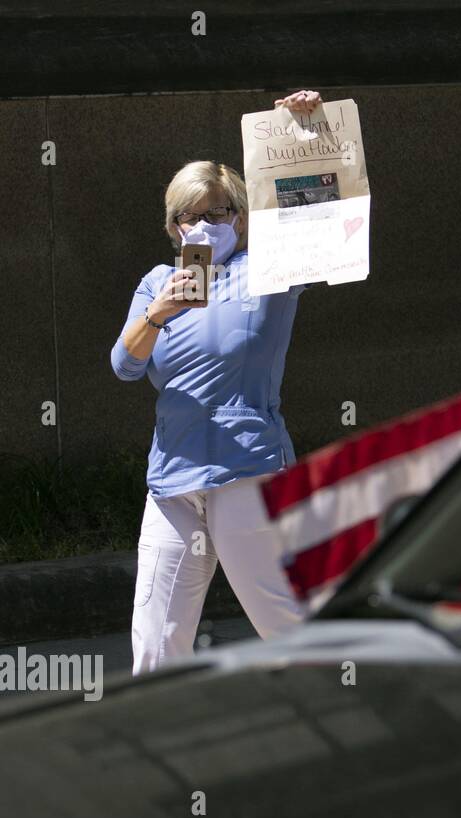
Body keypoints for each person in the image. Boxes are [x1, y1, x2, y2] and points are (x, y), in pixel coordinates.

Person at [110, 89, 325, 674]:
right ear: (173, 226)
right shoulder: (157, 283)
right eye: (191, 216)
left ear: (240, 218)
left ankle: (360, 720)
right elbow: (124, 366)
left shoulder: (270, 268)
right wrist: (159, 315)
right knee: (154, 642)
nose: (204, 226)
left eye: (218, 213)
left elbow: (322, 222)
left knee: (284, 620)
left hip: (247, 474)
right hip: (172, 480)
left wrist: (301, 135)